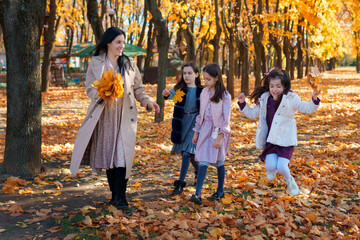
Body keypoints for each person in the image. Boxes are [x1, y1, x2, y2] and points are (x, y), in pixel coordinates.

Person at [70, 27, 160, 209]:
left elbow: (138, 89)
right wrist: (101, 93)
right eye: (118, 42)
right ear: (108, 43)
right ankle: (114, 196)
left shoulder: (129, 63)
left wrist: (148, 102)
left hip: (125, 116)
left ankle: (122, 197)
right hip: (103, 116)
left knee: (123, 157)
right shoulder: (95, 63)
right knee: (110, 158)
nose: (122, 45)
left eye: (123, 42)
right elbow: (89, 88)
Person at [237, 67, 320, 196]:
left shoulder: (292, 98)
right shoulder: (264, 98)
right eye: (272, 86)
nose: (275, 90)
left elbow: (307, 108)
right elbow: (253, 113)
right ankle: (271, 170)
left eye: (278, 86)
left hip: (285, 140)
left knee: (282, 166)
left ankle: (290, 181)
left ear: (285, 86)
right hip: (270, 140)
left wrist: (314, 99)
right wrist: (243, 104)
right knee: (270, 166)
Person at [190, 63, 232, 205]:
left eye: (208, 79)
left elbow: (226, 120)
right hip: (205, 129)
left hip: (217, 131)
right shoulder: (204, 92)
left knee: (219, 161)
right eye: (204, 79)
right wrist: (196, 132)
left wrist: (221, 136)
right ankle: (198, 193)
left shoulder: (225, 96)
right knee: (203, 159)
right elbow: (200, 114)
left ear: (217, 78)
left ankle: (220, 191)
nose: (205, 82)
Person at [162, 62, 203, 195]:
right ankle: (199, 171)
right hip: (182, 123)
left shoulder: (201, 90)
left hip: (195, 123)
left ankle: (180, 184)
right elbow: (171, 96)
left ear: (196, 74)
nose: (186, 76)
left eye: (190, 73)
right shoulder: (180, 89)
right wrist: (166, 94)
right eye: (184, 73)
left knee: (187, 153)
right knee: (189, 154)